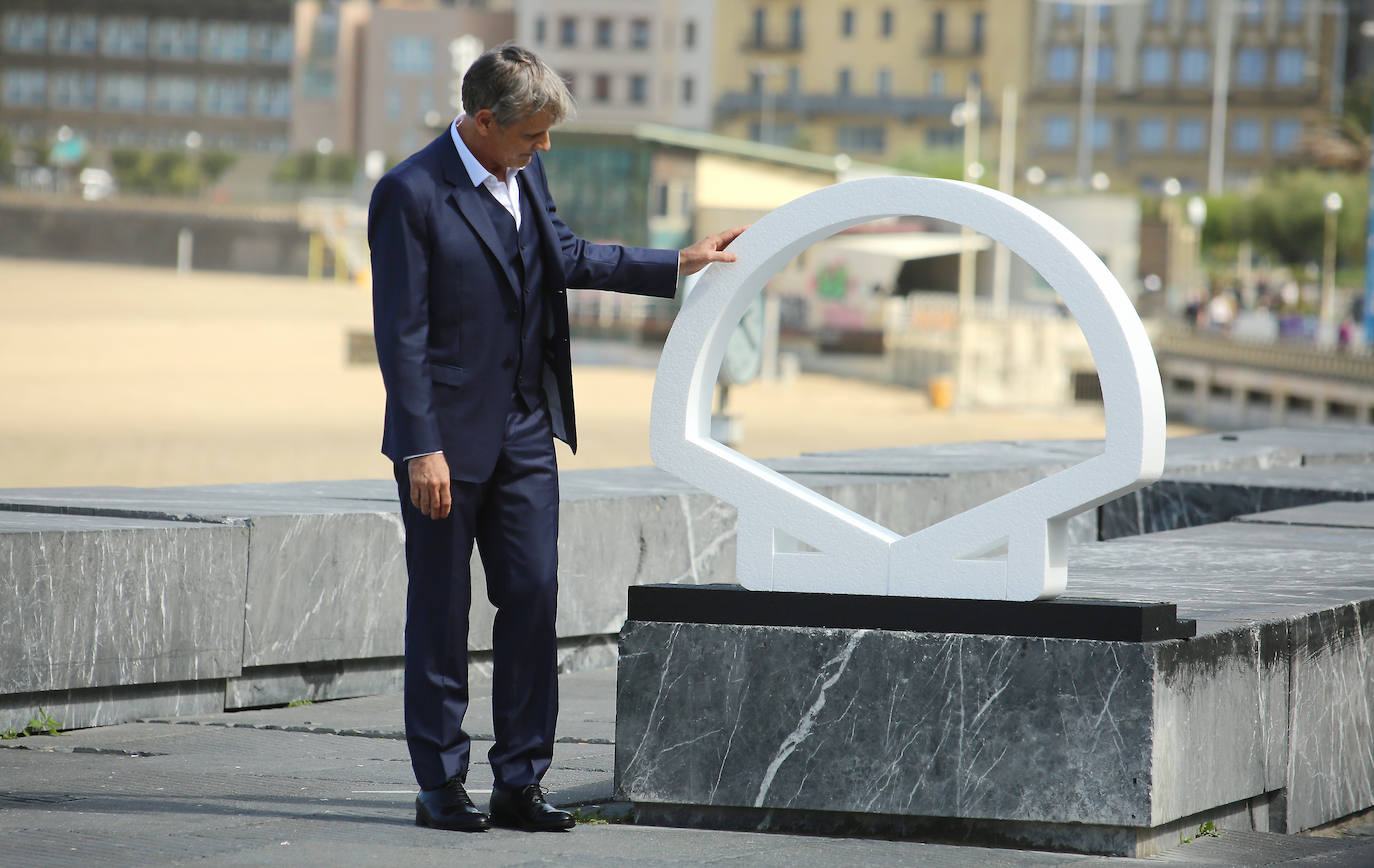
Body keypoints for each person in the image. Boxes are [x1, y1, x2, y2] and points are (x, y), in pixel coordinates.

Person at [367, 44, 743, 833]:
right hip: (444, 442)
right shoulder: (408, 193)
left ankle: (519, 781)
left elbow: (565, 254)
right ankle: (439, 784)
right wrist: (418, 446)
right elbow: (400, 334)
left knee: (533, 599)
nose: (545, 149)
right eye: (533, 135)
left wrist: (678, 263)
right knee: (440, 611)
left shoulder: (525, 173)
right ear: (482, 121)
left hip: (527, 428)